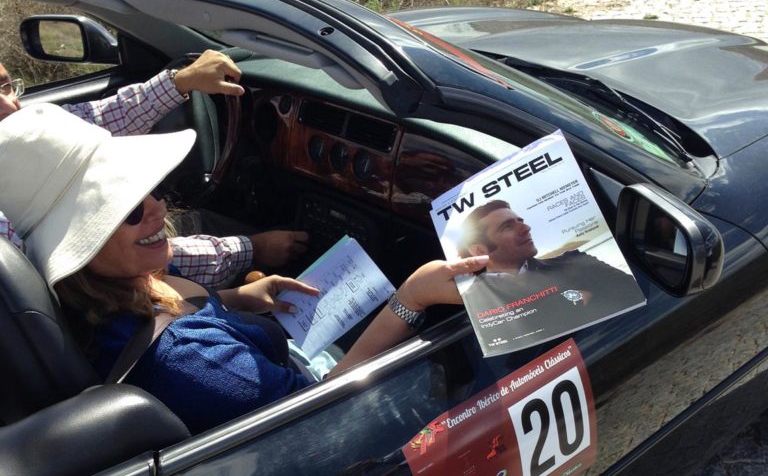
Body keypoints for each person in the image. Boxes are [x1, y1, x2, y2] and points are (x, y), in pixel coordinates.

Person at [0, 104, 487, 435]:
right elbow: (319, 412)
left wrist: (237, 300)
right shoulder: (192, 362)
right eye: (125, 210)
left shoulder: (100, 293)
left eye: (149, 192)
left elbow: (164, 313)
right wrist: (411, 299)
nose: (157, 209)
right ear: (82, 248)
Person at [0, 54, 308, 282]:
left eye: (5, 86)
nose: (11, 106)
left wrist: (180, 81)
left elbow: (94, 118)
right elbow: (135, 258)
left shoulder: (21, 146)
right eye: (130, 206)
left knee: (199, 220)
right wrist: (252, 248)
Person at [456, 200, 644, 345]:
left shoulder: (574, 260)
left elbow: (634, 291)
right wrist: (575, 299)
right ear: (479, 251)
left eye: (520, 221)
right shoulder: (471, 303)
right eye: (508, 226)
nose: (526, 228)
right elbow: (512, 358)